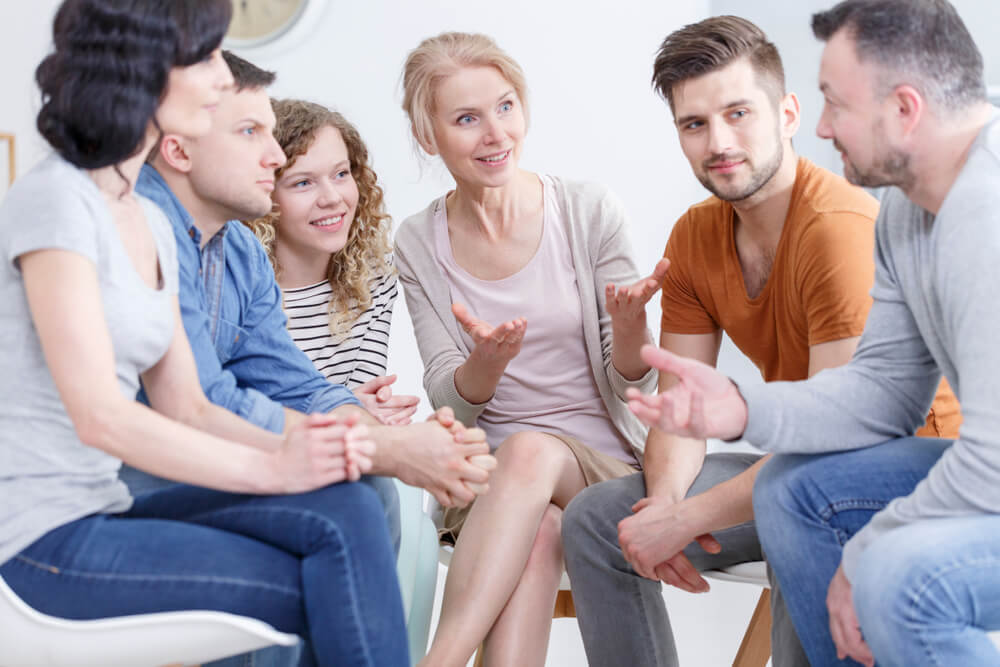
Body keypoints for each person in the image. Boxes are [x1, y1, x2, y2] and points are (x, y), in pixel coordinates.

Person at [0, 1, 408, 665]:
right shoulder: (57, 197)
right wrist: (276, 464)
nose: (223, 76)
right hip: (39, 542)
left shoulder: (146, 220)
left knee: (352, 507)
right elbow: (100, 417)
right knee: (336, 583)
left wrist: (324, 446)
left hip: (106, 506)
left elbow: (190, 405)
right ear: (149, 71)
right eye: (209, 58)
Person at [560, 15, 962, 667]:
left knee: (793, 505)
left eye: (738, 113)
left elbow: (837, 441)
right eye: (695, 124)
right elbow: (681, 410)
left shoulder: (837, 229)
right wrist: (663, 506)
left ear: (788, 114)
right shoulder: (695, 236)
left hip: (908, 472)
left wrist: (688, 520)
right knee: (601, 520)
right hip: (799, 464)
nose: (719, 142)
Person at [122, 51, 493, 516]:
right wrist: (381, 446)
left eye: (341, 174)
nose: (273, 156)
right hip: (143, 480)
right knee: (357, 484)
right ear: (180, 150)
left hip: (217, 458)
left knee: (366, 485)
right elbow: (199, 404)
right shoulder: (142, 228)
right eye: (249, 132)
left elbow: (298, 385)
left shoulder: (239, 250)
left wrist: (385, 439)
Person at [394, 31, 663, 667]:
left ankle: (437, 662)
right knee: (539, 526)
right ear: (429, 136)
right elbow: (450, 405)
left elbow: (637, 387)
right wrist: (485, 365)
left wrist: (631, 331)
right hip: (492, 490)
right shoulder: (418, 241)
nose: (496, 133)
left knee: (530, 449)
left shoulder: (587, 210)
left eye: (505, 106)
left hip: (605, 469)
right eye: (467, 118)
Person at [245, 98, 417, 424]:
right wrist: (344, 410)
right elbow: (230, 409)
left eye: (340, 174)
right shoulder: (235, 290)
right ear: (264, 196)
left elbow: (368, 399)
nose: (332, 198)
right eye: (303, 183)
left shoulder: (374, 277)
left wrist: (366, 412)